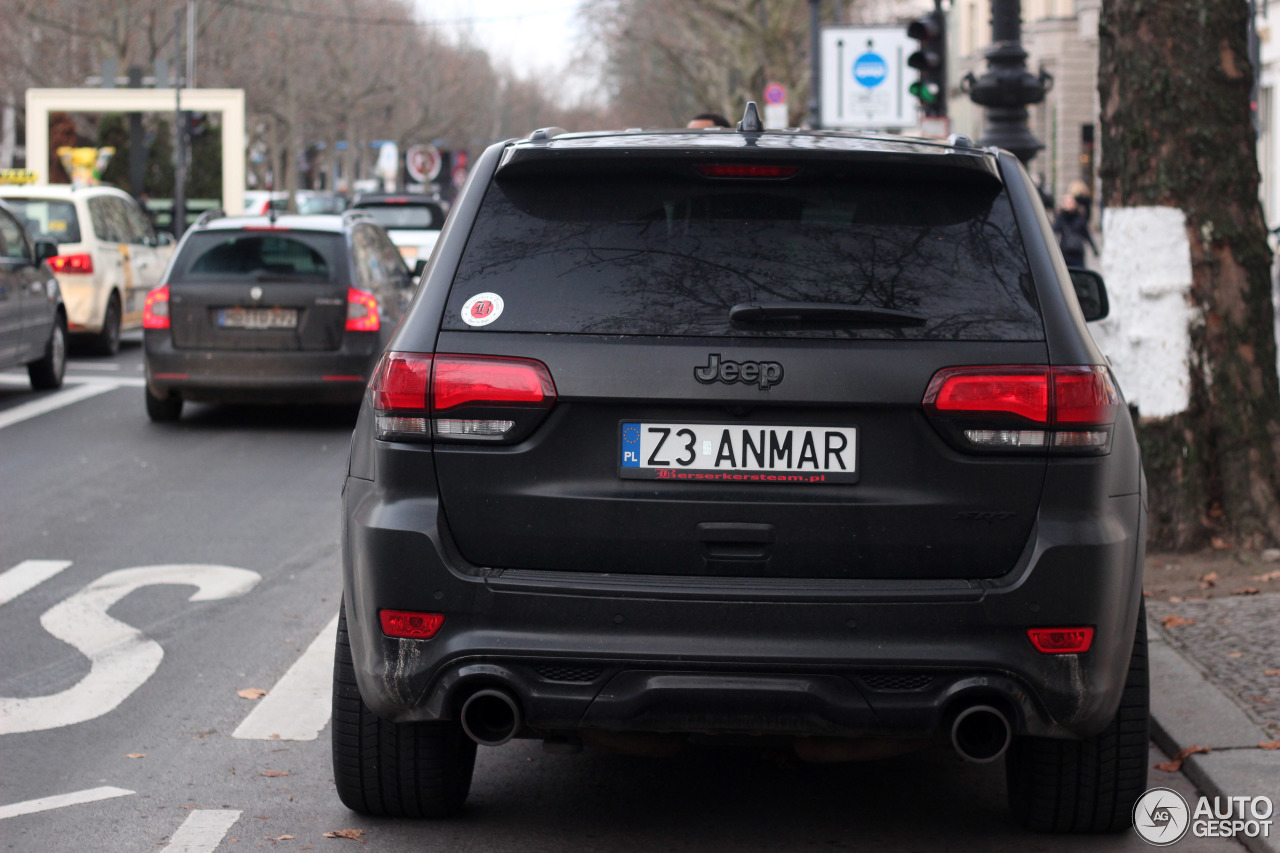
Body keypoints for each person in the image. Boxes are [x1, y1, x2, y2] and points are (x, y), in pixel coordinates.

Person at [1053, 192, 1097, 268]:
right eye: (1066, 202)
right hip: (1065, 252)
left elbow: (1086, 234)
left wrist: (1094, 249)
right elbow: (1055, 230)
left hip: (1077, 253)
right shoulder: (1061, 217)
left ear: (1075, 204)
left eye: (1070, 202)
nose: (1068, 205)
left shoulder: (1079, 218)